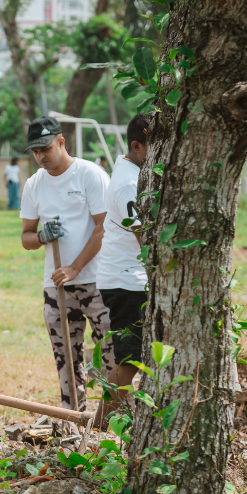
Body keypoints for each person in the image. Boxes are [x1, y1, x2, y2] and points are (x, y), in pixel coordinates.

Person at [19, 115, 113, 412]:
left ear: (61, 141)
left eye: (45, 148)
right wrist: (41, 237)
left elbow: (103, 228)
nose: (40, 157)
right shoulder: (34, 185)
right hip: (56, 285)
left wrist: (75, 267)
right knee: (66, 359)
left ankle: (116, 420)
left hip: (98, 282)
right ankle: (73, 419)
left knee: (110, 353)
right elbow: (25, 237)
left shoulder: (90, 175)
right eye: (35, 151)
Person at [94, 114, 150, 426]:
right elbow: (143, 234)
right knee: (130, 363)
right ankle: (99, 426)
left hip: (127, 278)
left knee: (135, 359)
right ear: (136, 146)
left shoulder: (133, 173)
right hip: (127, 282)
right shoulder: (129, 181)